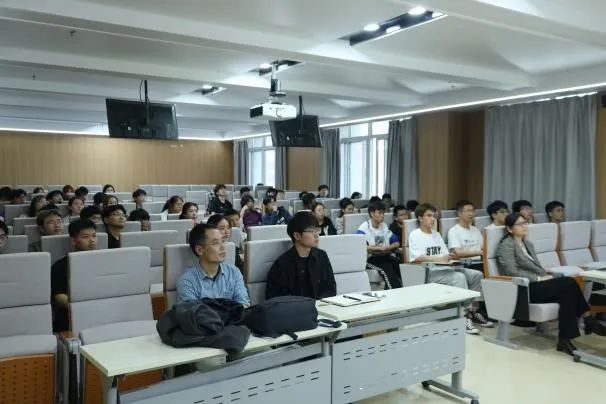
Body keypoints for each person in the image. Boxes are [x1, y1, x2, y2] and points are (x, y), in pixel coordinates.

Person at [496, 212, 606, 355]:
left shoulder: (528, 244)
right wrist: (539, 278)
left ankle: (564, 339)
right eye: (520, 224)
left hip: (537, 285)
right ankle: (587, 318)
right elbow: (511, 271)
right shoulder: (506, 245)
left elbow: (537, 268)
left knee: (567, 294)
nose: (524, 226)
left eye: (525, 223)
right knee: (568, 282)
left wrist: (547, 274)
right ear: (509, 229)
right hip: (523, 287)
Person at [408, 203, 488, 333]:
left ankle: (473, 311)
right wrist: (439, 259)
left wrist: (451, 258)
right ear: (420, 218)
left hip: (446, 268)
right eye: (429, 216)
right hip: (430, 272)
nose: (433, 219)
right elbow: (417, 257)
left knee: (476, 275)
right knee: (459, 277)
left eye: (433, 216)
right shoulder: (415, 234)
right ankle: (463, 316)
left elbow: (445, 255)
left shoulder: (436, 234)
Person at [266, 212, 336, 299]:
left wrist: (319, 303)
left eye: (317, 229)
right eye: (311, 231)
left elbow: (331, 289)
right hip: (296, 307)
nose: (316, 235)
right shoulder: (282, 264)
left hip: (321, 305)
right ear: (297, 236)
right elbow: (276, 299)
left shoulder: (321, 256)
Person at [176, 223, 249, 305]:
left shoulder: (234, 273)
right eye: (216, 243)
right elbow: (192, 312)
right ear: (199, 250)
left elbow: (243, 304)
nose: (222, 247)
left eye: (222, 241)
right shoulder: (187, 281)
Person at [50, 219, 97, 332]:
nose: (92, 240)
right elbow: (59, 298)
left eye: (94, 236)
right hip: (72, 318)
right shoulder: (60, 265)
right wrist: (86, 308)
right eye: (85, 237)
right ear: (73, 241)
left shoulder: (104, 261)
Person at [356, 201, 402, 289]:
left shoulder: (384, 226)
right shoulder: (364, 228)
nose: (382, 216)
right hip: (370, 259)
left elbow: (396, 243)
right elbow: (360, 246)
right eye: (380, 213)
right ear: (372, 213)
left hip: (385, 255)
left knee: (399, 265)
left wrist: (386, 248)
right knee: (387, 269)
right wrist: (378, 248)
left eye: (383, 213)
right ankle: (394, 291)